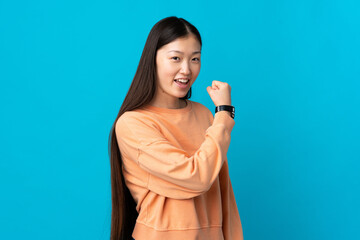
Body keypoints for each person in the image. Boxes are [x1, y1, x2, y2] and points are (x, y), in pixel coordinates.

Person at [108, 16, 244, 240]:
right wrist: (224, 113)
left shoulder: (203, 114)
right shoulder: (133, 123)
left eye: (195, 59)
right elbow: (196, 177)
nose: (186, 70)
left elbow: (222, 192)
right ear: (152, 60)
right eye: (175, 58)